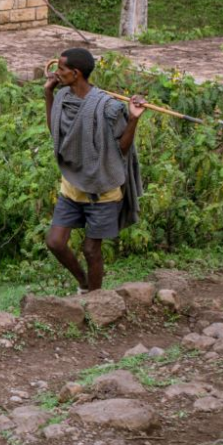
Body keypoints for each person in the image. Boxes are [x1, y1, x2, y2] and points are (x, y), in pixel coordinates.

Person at [43, 47, 146, 293]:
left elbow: (121, 148)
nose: (57, 73)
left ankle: (96, 301)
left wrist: (133, 119)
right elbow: (55, 133)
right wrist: (48, 93)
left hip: (102, 189)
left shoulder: (108, 108)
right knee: (55, 242)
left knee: (91, 250)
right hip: (72, 187)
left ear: (75, 73)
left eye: (62, 69)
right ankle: (85, 285)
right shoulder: (63, 98)